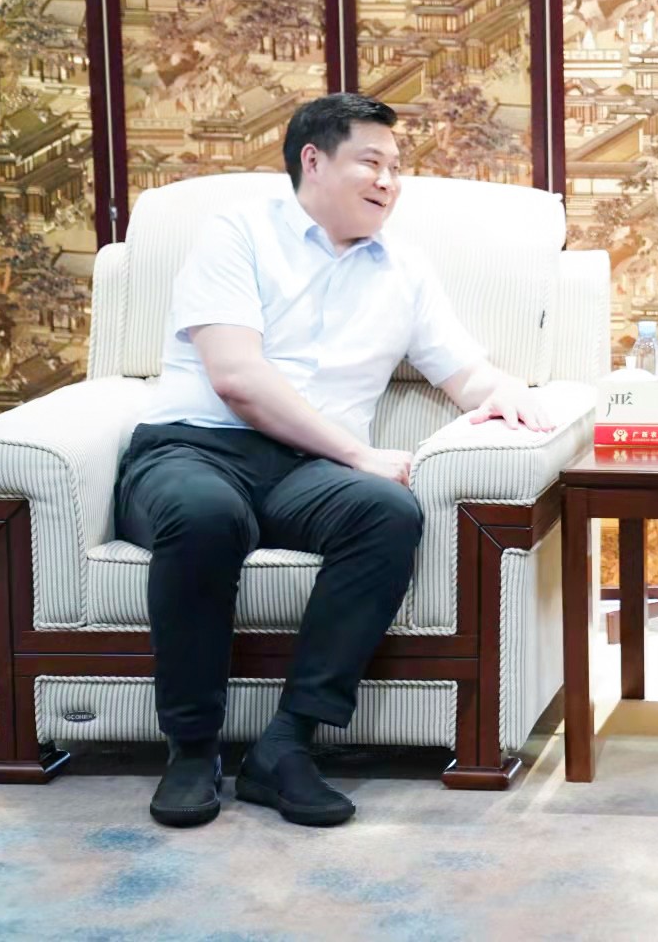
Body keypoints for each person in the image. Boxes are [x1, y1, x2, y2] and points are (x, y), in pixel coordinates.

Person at [116, 93, 553, 829]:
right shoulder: (238, 233)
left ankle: (286, 745)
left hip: (304, 473)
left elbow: (465, 373)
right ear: (313, 161)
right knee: (205, 515)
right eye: (371, 162)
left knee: (386, 513)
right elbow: (237, 379)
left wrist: (512, 395)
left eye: (396, 167)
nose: (388, 182)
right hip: (194, 447)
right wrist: (357, 453)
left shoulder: (403, 268)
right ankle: (191, 748)